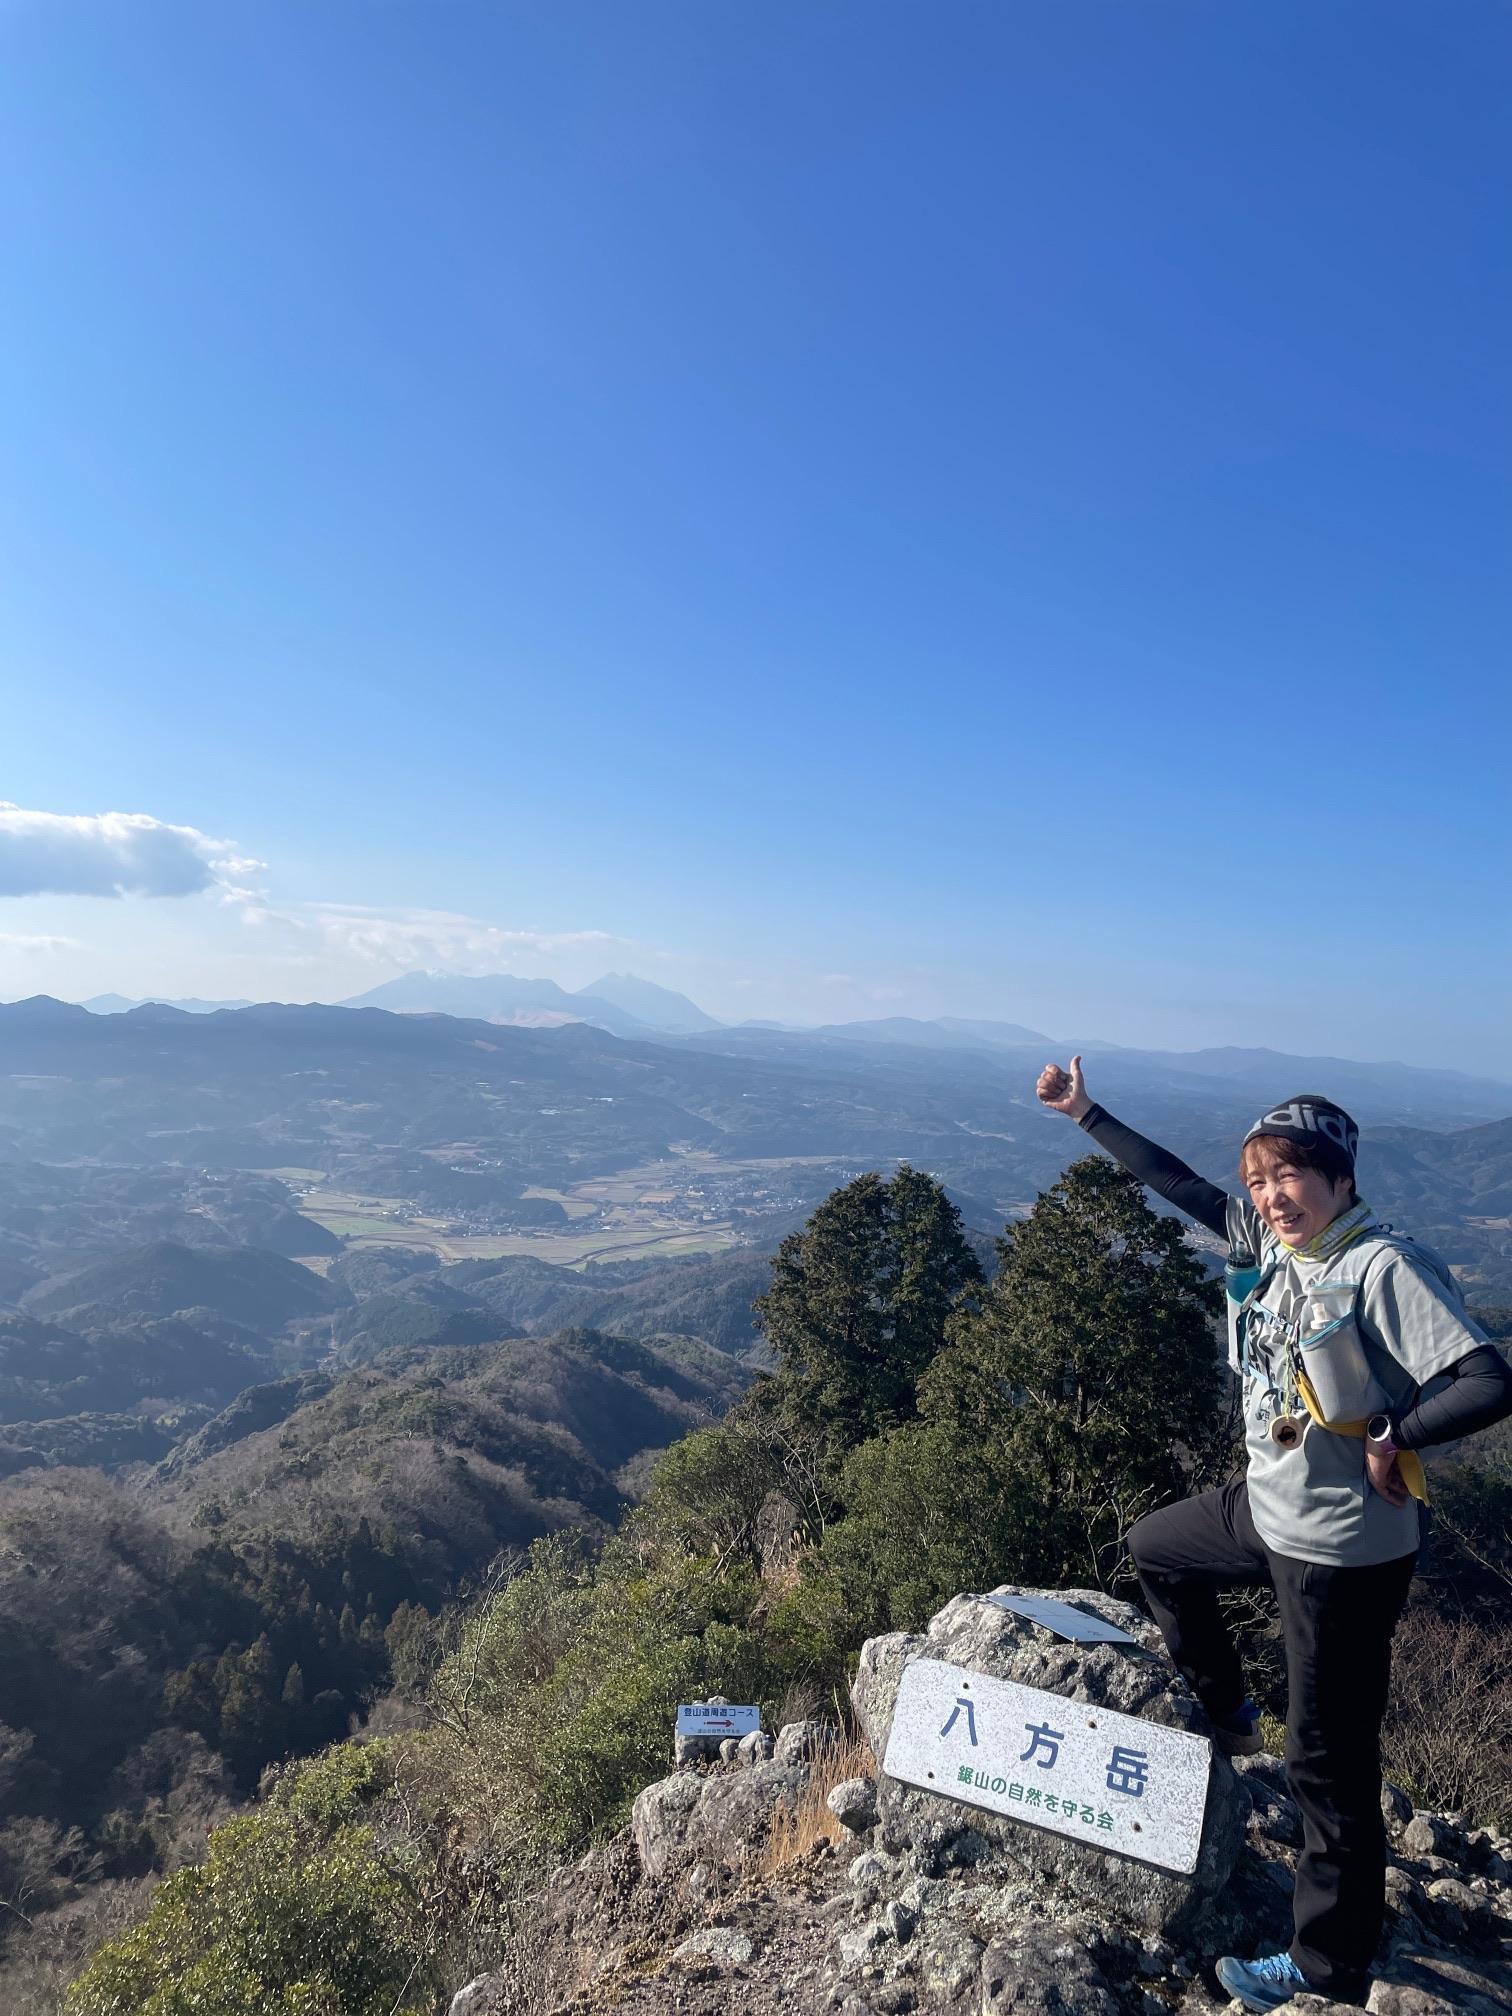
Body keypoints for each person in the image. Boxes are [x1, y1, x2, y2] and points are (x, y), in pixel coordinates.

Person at [1036, 1056, 1512, 2012]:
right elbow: (1177, 1183)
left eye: (1289, 1174)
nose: (1270, 1195)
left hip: (1342, 1551)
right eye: (1259, 1178)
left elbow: (1488, 1379)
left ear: (1340, 1177)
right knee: (1157, 1550)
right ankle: (1227, 1714)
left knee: (1327, 1761)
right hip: (1269, 1505)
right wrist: (1086, 1113)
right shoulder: (1273, 1242)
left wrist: (1394, 1434)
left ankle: (1329, 1966)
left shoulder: (1379, 1266)